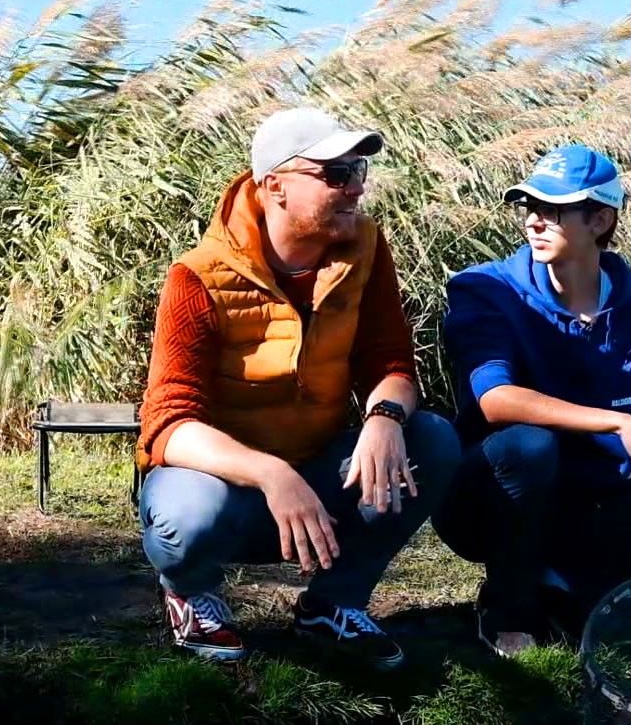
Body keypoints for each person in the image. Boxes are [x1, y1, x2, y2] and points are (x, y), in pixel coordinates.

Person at [135, 107, 461, 669]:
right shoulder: (196, 276)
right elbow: (167, 425)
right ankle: (191, 593)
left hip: (320, 475)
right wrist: (270, 473)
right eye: (335, 174)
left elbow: (393, 363)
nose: (356, 189)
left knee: (431, 440)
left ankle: (332, 606)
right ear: (274, 185)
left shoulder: (365, 250)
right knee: (188, 517)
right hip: (224, 489)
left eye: (358, 171)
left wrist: (384, 416)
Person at [435, 145, 631, 657]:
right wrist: (618, 423)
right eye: (529, 208)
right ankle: (507, 607)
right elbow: (494, 399)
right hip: (491, 496)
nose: (535, 222)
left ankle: (564, 585)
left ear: (600, 219)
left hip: (599, 498)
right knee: (529, 446)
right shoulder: (486, 290)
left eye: (554, 210)